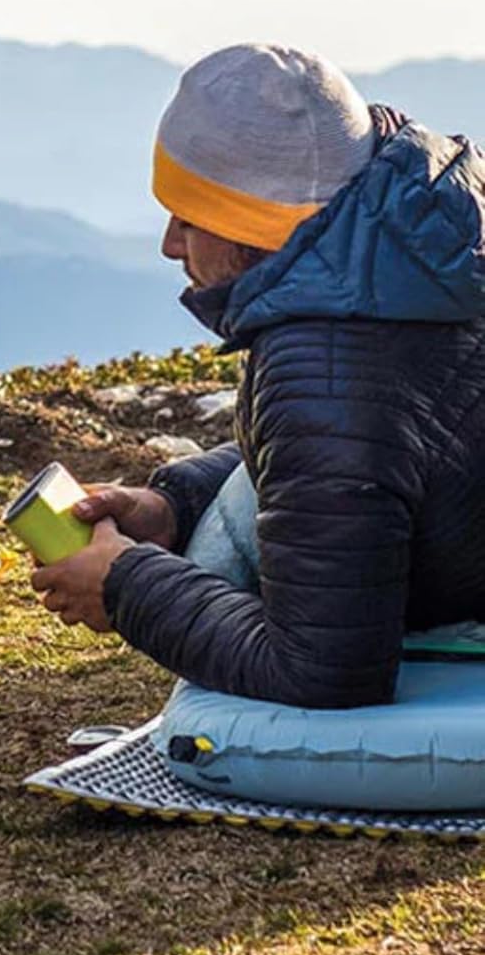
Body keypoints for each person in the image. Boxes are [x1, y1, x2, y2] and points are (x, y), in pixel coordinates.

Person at [30, 43, 485, 709]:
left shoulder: (330, 363)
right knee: (212, 539)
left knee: (217, 609)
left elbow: (324, 674)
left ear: (251, 223)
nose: (170, 244)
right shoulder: (414, 254)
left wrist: (123, 585)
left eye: (191, 216)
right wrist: (171, 508)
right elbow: (375, 453)